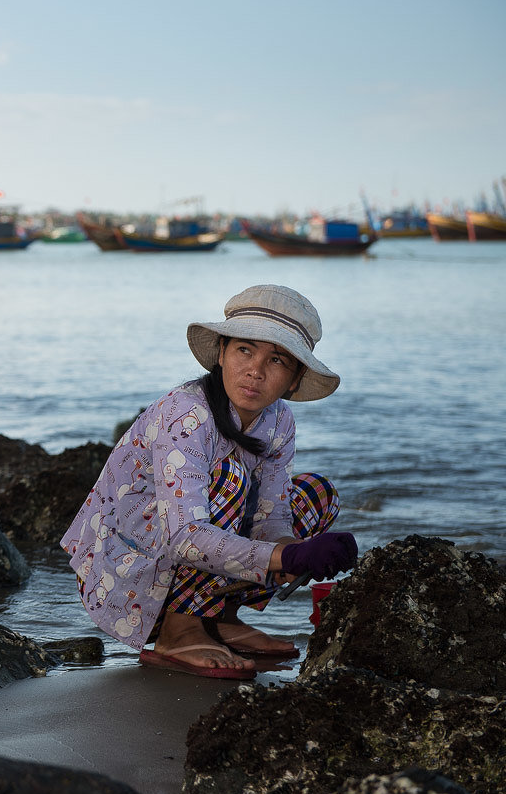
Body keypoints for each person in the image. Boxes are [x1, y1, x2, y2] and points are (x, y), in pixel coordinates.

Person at [60, 284, 358, 679]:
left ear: (294, 378)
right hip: (128, 571)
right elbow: (184, 535)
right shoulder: (188, 414)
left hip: (191, 561)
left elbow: (272, 517)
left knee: (317, 494)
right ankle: (180, 630)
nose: (256, 370)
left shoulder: (279, 421)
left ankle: (219, 618)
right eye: (245, 350)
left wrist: (296, 549)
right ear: (221, 354)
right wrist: (285, 560)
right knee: (230, 478)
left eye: (278, 360)